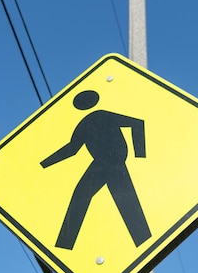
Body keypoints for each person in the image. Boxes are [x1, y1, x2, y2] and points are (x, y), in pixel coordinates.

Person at [41, 89, 151, 250]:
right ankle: (65, 244)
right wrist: (44, 163)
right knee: (83, 195)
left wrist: (139, 153)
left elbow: (136, 123)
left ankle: (143, 241)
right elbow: (72, 149)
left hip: (114, 163)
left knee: (125, 201)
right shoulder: (84, 124)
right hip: (100, 164)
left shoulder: (102, 115)